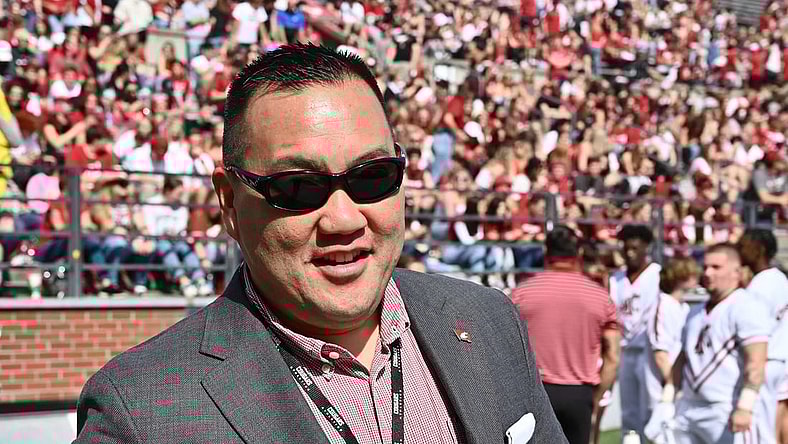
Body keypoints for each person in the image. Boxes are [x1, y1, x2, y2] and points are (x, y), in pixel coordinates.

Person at [73, 43, 567, 443]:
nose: (343, 219)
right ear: (228, 204)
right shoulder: (138, 412)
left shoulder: (488, 321)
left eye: (373, 177)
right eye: (298, 188)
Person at [512, 225, 619, 444]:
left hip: (534, 391)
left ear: (546, 252)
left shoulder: (521, 293)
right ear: (578, 253)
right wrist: (596, 397)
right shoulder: (600, 297)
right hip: (579, 394)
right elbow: (613, 357)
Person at [670, 244, 774, 443]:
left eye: (716, 267)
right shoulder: (694, 312)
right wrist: (667, 399)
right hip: (690, 407)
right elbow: (682, 358)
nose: (708, 272)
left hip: (725, 407)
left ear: (736, 272)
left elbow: (757, 361)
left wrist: (745, 406)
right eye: (706, 266)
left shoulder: (747, 306)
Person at [609, 224, 662, 441]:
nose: (630, 253)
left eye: (635, 248)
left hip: (649, 349)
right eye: (626, 248)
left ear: (645, 248)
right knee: (629, 410)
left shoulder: (656, 274)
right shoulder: (616, 278)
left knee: (652, 406)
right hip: (625, 349)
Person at [642, 257, 699, 442]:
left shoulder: (681, 306)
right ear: (680, 276)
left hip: (676, 385)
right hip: (663, 387)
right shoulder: (663, 305)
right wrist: (673, 384)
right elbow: (660, 353)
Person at [739, 229, 788, 443]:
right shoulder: (780, 277)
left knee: (760, 427)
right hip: (781, 360)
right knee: (780, 417)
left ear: (760, 250)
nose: (740, 250)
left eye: (745, 245)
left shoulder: (759, 286)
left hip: (765, 362)